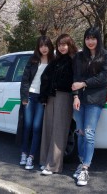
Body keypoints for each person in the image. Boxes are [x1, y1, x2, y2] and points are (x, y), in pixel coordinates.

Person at [71, 26, 107, 186]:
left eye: (93, 38)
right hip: (79, 100)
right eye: (87, 38)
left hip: (95, 100)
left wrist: (84, 83)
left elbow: (104, 78)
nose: (90, 41)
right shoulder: (79, 57)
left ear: (98, 39)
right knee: (80, 132)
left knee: (89, 133)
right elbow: (75, 77)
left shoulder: (106, 57)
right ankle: (81, 161)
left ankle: (85, 168)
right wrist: (75, 96)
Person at [39, 34, 78, 176]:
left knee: (58, 131)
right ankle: (44, 160)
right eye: (60, 44)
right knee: (47, 128)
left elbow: (77, 79)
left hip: (65, 97)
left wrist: (76, 97)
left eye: (64, 44)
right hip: (51, 96)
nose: (62, 47)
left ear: (70, 44)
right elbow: (45, 76)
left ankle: (53, 165)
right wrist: (44, 95)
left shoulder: (74, 60)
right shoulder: (56, 60)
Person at [17, 35, 55, 170]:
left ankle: (31, 156)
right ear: (38, 47)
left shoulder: (53, 61)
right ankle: (24, 153)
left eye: (46, 45)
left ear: (50, 46)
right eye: (41, 46)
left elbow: (52, 83)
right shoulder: (33, 60)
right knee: (27, 125)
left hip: (41, 99)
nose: (44, 48)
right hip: (30, 96)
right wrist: (24, 98)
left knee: (37, 127)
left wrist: (45, 98)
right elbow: (25, 80)